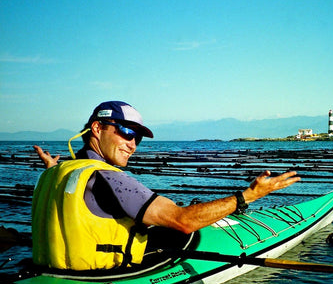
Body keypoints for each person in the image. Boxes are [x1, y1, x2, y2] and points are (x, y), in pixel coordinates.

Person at [32, 101, 300, 271]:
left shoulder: (61, 170)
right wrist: (249, 195)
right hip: (103, 276)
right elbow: (183, 221)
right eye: (125, 132)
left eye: (137, 137)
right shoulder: (110, 178)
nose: (132, 144)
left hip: (53, 269)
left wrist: (52, 168)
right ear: (97, 128)